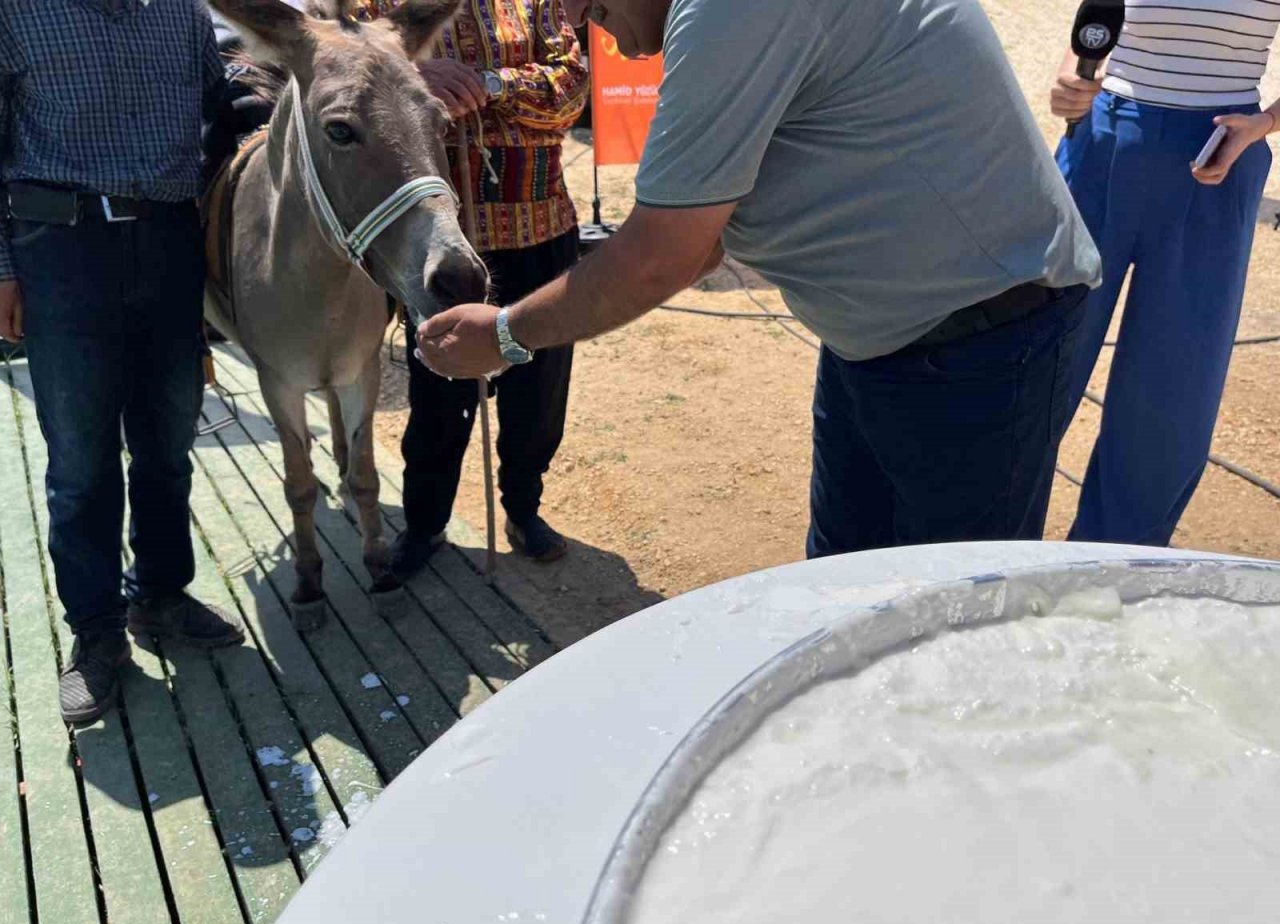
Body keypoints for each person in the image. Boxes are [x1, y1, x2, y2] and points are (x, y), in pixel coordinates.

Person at [416, 0, 1102, 559]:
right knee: (844, 588)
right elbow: (703, 226)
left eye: (593, 6)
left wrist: (506, 336)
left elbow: (667, 252)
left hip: (975, 342)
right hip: (892, 336)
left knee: (951, 622)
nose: (581, 27)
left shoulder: (729, 11)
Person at [0, 0, 246, 726]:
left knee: (169, 441)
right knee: (80, 460)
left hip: (170, 246)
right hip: (59, 248)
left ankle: (162, 596)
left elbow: (225, 99)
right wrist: (1, 267)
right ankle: (97, 632)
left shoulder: (182, 13)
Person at [354, 0, 588, 573]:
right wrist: (413, 77)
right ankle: (426, 524)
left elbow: (569, 91)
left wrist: (487, 85)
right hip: (438, 240)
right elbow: (351, 79)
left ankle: (523, 508)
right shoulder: (376, 6)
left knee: (538, 387)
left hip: (541, 226)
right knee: (438, 392)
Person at [1050, 1, 1276, 547]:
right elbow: (1098, 19)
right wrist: (1069, 81)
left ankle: (1104, 575)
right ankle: (979, 551)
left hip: (1217, 155)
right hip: (1103, 138)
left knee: (1170, 385)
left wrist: (1265, 124)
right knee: (1038, 353)